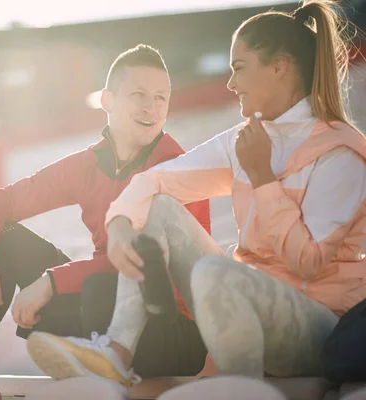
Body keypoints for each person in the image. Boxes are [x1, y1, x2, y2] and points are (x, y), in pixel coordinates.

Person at [26, 0, 366, 389]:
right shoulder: (247, 139)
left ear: (279, 67)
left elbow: (307, 262)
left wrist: (262, 177)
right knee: (160, 208)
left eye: (238, 68)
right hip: (247, 307)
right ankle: (117, 351)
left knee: (217, 271)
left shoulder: (341, 152)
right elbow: (153, 181)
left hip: (321, 332)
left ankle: (240, 388)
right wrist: (119, 226)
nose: (231, 83)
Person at [0, 44, 212, 378]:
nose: (151, 108)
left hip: (173, 326)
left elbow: (142, 261)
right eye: (139, 94)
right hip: (105, 309)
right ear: (107, 101)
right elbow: (0, 202)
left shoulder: (173, 167)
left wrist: (52, 281)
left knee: (98, 291)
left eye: (161, 98)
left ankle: (99, 365)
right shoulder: (89, 164)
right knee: (4, 239)